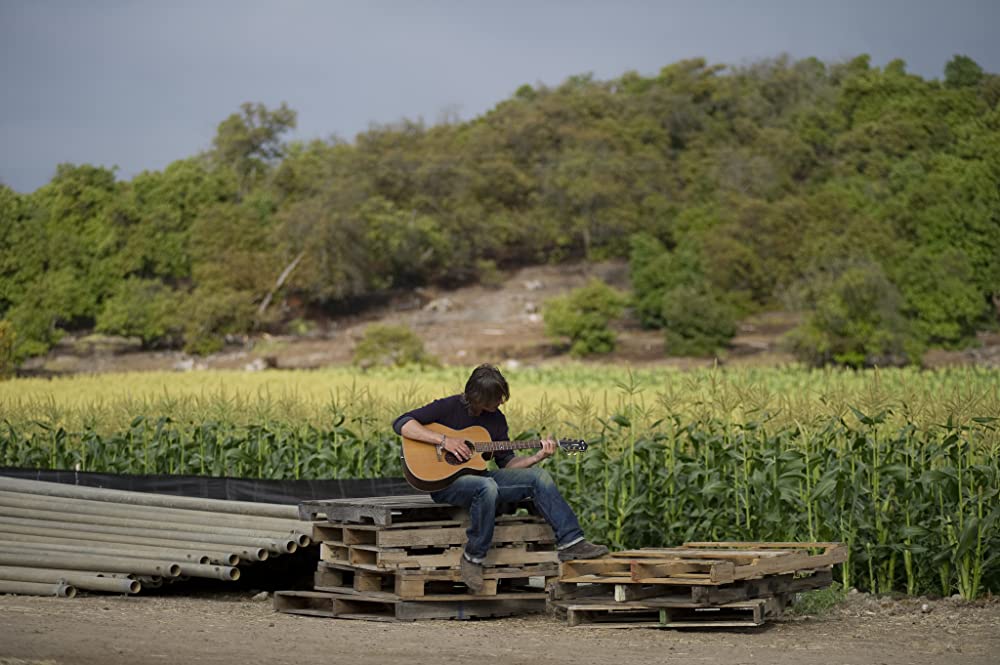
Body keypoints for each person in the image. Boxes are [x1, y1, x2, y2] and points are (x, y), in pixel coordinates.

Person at [392, 363, 608, 592]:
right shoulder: (448, 407)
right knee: (487, 486)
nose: (500, 403)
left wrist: (537, 456)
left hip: (479, 477)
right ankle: (473, 558)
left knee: (538, 477)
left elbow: (508, 463)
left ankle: (571, 542)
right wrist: (444, 441)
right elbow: (402, 423)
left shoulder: (496, 420)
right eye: (495, 399)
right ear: (477, 397)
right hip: (444, 483)